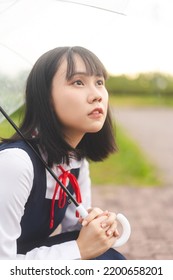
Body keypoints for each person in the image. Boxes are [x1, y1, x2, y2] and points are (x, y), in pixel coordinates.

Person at [0, 46, 125, 260]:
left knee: (106, 259)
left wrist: (96, 227)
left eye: (99, 82)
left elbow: (73, 235)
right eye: (78, 82)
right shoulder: (15, 164)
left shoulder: (76, 161)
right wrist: (79, 249)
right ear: (46, 96)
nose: (96, 95)